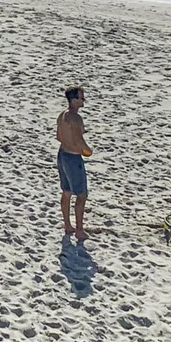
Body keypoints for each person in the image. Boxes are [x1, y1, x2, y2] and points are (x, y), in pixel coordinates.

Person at [57, 86, 92, 241]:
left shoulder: (62, 115)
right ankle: (79, 230)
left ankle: (67, 225)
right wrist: (88, 151)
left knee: (66, 192)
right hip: (73, 158)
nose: (83, 100)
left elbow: (59, 136)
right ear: (74, 100)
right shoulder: (76, 118)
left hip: (62, 154)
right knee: (82, 195)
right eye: (81, 97)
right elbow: (79, 141)